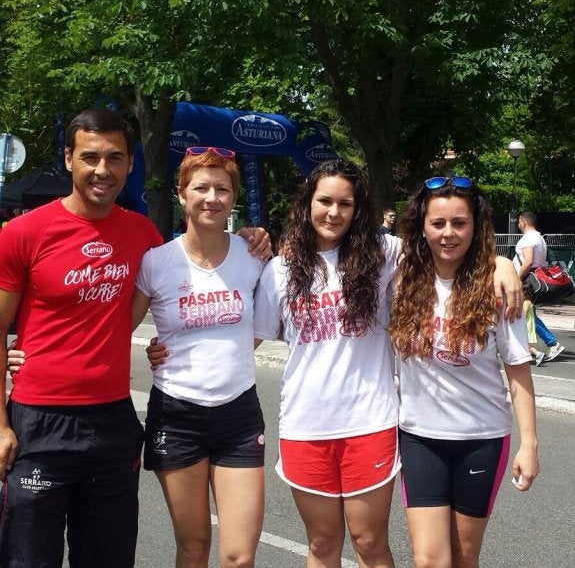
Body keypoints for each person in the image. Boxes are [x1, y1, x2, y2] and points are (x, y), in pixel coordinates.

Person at [0, 110, 270, 568]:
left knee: (108, 557)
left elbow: (152, 305)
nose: (102, 169)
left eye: (115, 158)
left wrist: (255, 237)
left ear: (128, 165)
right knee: (29, 559)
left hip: (113, 423)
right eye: (89, 157)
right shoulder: (22, 233)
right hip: (38, 420)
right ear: (68, 159)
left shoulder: (142, 235)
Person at [250, 162, 523, 568]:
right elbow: (247, 343)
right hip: (304, 424)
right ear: (306, 204)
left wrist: (504, 264)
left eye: (346, 203)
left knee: (368, 541)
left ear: (359, 209)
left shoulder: (384, 256)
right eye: (324, 200)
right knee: (322, 544)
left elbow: (441, 246)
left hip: (370, 422)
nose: (334, 212)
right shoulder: (279, 271)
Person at [389, 176, 539, 568]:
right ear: (422, 227)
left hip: (482, 439)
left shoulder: (497, 289)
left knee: (464, 556)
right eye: (438, 223)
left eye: (460, 223)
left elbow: (518, 370)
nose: (448, 233)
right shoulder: (400, 279)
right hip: (419, 437)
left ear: (477, 226)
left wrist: (530, 444)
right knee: (430, 560)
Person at [132, 147, 266, 568]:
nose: (212, 197)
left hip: (239, 414)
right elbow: (115, 329)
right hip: (176, 413)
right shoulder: (156, 262)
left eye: (222, 189)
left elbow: (264, 327)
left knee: (239, 555)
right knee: (193, 548)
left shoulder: (255, 255)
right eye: (201, 187)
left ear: (233, 197)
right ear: (181, 194)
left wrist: (225, 353)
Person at [513, 211, 565, 362]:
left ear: (523, 222)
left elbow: (528, 261)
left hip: (527, 280)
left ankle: (552, 343)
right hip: (534, 279)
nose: (518, 225)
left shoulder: (529, 238)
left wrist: (516, 279)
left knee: (526, 314)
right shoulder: (540, 238)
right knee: (528, 314)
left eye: (518, 222)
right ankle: (541, 345)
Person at [522, 284, 545, 366]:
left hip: (526, 325)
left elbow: (523, 314)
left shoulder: (526, 303)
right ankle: (527, 357)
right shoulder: (529, 302)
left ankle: (538, 354)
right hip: (528, 325)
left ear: (525, 293)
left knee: (522, 343)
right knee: (523, 343)